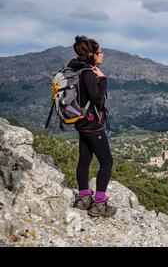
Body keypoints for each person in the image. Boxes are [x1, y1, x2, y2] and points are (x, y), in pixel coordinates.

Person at [67, 35, 117, 217]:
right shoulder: (88, 73)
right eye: (100, 52)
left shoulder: (75, 68)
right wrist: (103, 80)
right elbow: (96, 99)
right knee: (107, 162)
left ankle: (83, 197)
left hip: (80, 122)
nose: (102, 55)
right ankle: (100, 204)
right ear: (92, 55)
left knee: (85, 159)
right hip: (91, 124)